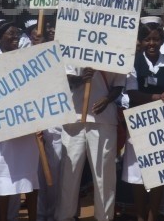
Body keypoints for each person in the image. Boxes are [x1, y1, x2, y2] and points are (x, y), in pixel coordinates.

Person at [122, 22, 164, 221]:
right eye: (147, 39)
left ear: (162, 41)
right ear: (141, 41)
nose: (152, 43)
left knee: (159, 171)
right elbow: (132, 94)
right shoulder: (133, 62)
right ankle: (140, 215)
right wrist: (157, 97)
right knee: (138, 174)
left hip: (163, 125)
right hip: (138, 124)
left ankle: (153, 215)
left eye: (156, 39)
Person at [0, 21, 40, 221]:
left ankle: (32, 217)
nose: (15, 37)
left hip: (26, 126)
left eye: (17, 33)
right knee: (2, 178)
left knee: (30, 176)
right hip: (1, 128)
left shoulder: (26, 60)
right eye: (10, 34)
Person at [55, 61, 124, 221]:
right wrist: (81, 78)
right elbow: (67, 78)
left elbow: (119, 85)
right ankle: (65, 217)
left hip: (104, 120)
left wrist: (107, 100)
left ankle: (104, 217)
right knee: (69, 173)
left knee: (103, 174)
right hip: (74, 117)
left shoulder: (116, 48)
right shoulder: (75, 45)